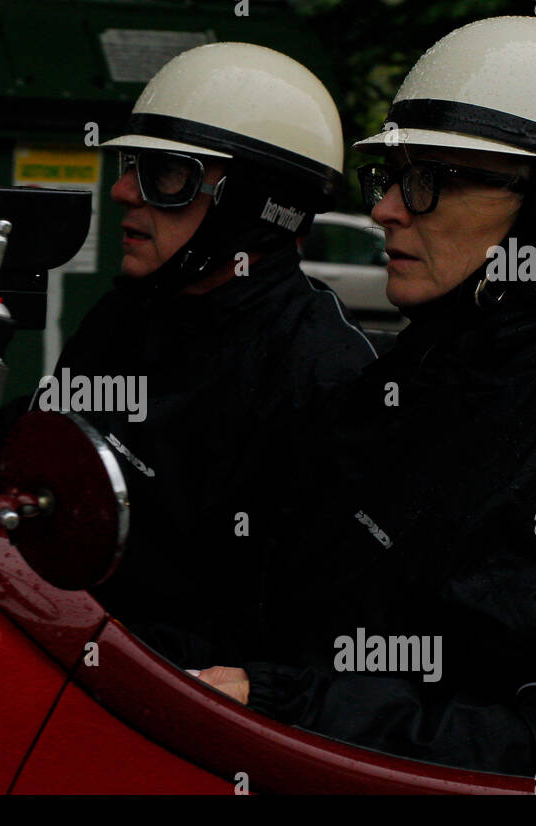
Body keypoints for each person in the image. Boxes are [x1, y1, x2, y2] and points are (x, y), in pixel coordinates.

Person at [195, 16, 536, 781]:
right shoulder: (426, 370)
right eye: (390, 177)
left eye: (431, 179)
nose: (387, 208)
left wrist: (291, 703)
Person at [43, 43, 377, 668]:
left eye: (165, 174)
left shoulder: (325, 374)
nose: (120, 191)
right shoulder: (123, 317)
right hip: (61, 651)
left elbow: (298, 637)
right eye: (130, 164)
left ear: (253, 203)